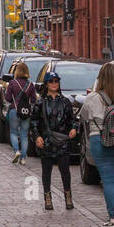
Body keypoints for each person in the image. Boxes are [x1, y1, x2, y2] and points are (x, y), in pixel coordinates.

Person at [78, 62, 114, 227]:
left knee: (109, 180)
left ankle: (113, 218)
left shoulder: (93, 97)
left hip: (100, 139)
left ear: (100, 79)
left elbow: (84, 115)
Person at [30, 70, 77, 210]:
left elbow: (72, 120)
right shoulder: (40, 103)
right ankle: (47, 198)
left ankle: (68, 197)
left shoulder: (65, 102)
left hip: (62, 141)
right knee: (46, 171)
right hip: (46, 142)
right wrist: (37, 136)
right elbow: (33, 122)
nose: (54, 84)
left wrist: (73, 129)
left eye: (56, 81)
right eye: (51, 81)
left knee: (65, 171)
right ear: (46, 84)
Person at [4, 61, 36, 165]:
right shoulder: (30, 84)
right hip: (26, 111)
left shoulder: (12, 83)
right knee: (24, 135)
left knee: (13, 132)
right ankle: (23, 158)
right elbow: (34, 99)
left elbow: (8, 98)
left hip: (14, 110)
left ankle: (16, 151)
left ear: (16, 71)